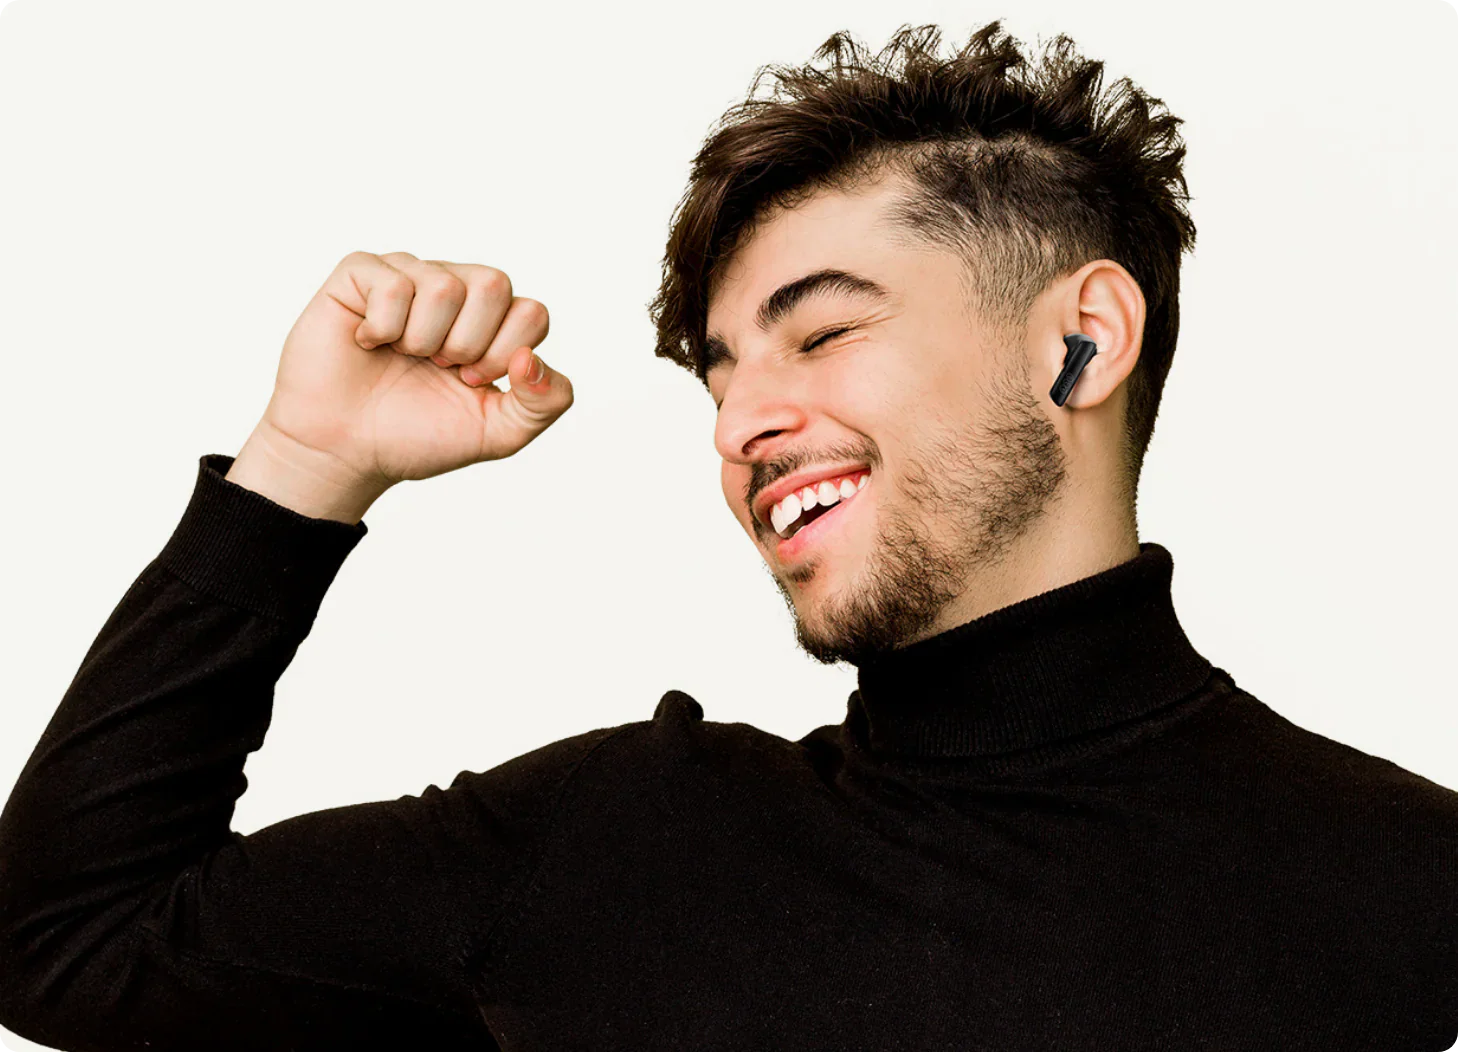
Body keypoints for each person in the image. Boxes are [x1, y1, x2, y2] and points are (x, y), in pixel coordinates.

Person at [2, 19, 1455, 1051]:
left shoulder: (1414, 899)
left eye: (820, 333)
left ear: (1081, 342)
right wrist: (303, 469)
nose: (741, 424)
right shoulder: (617, 848)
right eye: (718, 376)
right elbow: (63, 944)